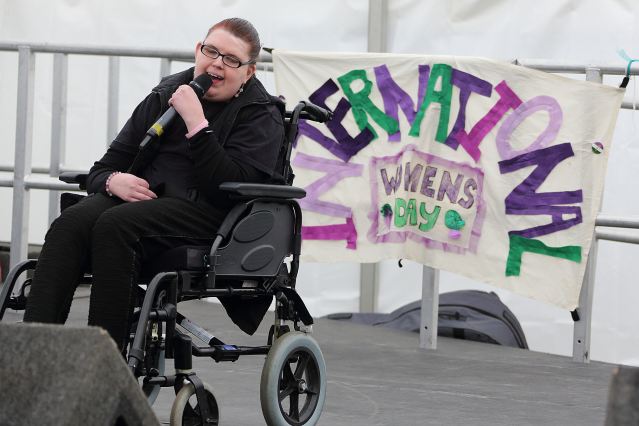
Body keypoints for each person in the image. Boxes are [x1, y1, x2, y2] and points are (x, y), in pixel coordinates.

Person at [23, 17, 284, 353]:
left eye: (231, 59)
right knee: (70, 223)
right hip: (147, 201)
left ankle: (104, 364)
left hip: (214, 216)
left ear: (249, 72)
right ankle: (32, 354)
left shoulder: (261, 114)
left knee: (116, 225)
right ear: (198, 50)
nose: (217, 63)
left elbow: (228, 188)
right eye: (211, 51)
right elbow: (103, 169)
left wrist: (196, 123)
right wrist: (114, 181)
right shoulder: (166, 95)